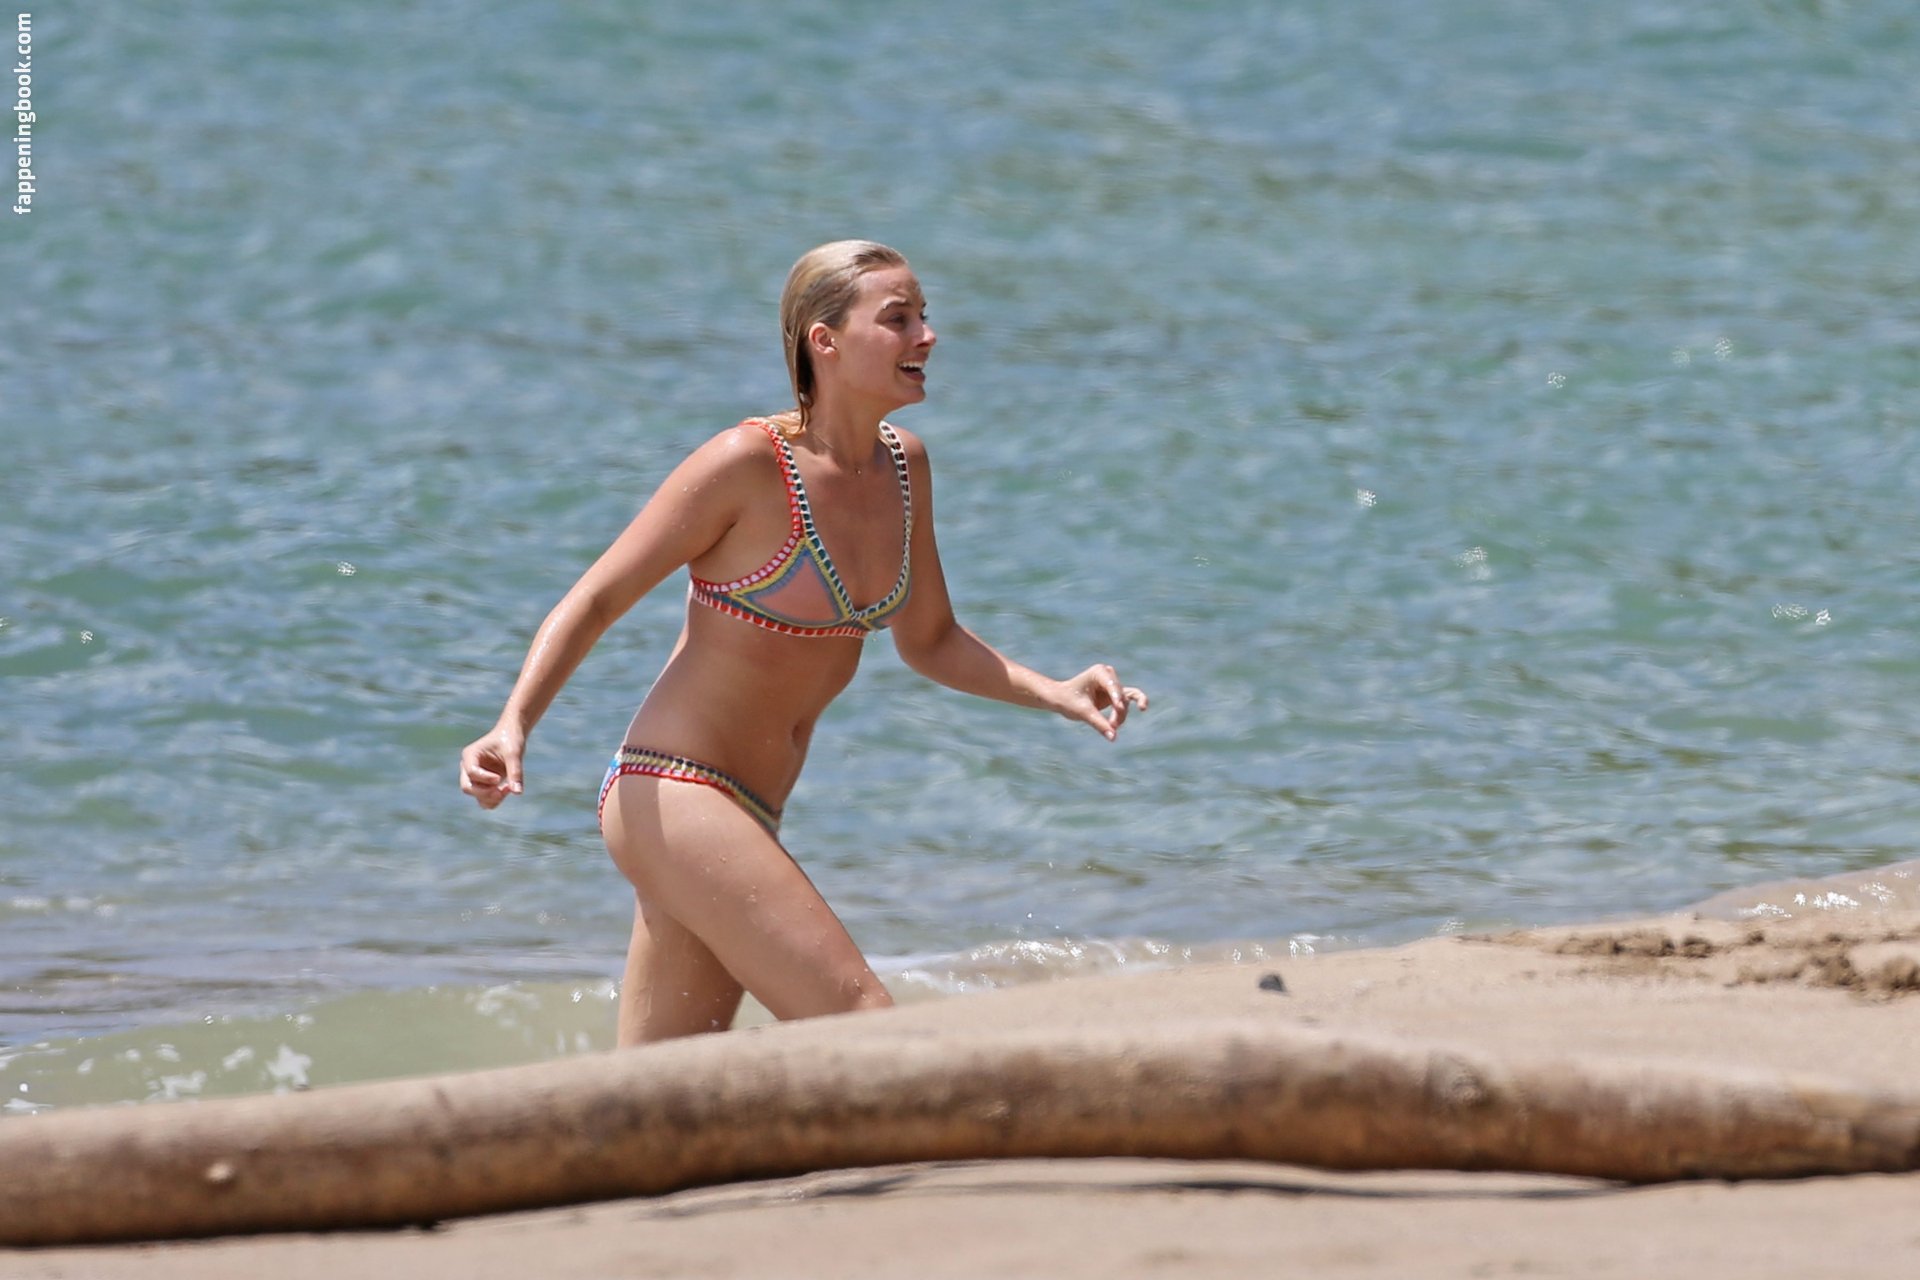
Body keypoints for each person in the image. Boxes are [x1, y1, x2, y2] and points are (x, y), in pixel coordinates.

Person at [459, 240, 1147, 1046]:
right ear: (825, 341)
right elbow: (597, 597)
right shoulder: (747, 463)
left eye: (924, 317)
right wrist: (512, 725)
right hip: (673, 793)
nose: (927, 336)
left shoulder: (904, 468)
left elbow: (930, 639)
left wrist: (1054, 691)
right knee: (863, 1024)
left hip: (753, 809)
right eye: (898, 320)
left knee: (669, 1088)